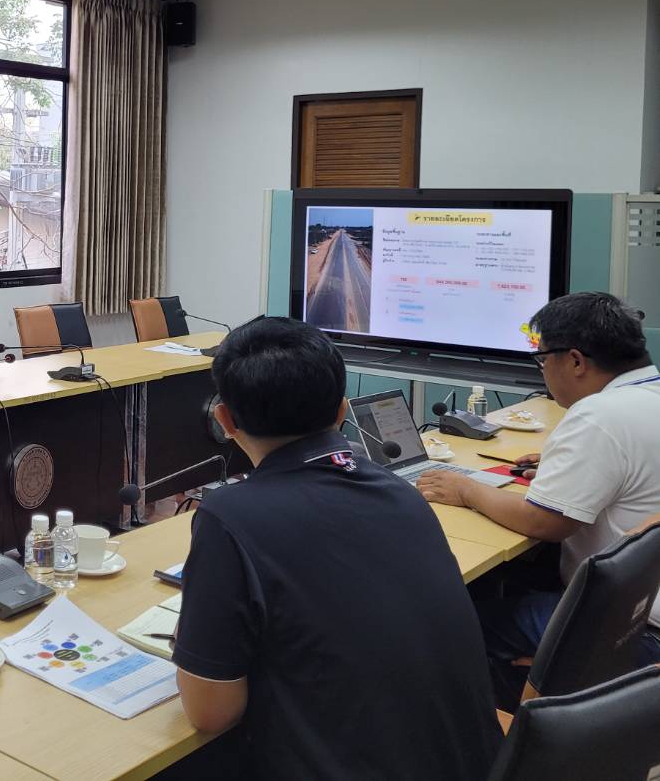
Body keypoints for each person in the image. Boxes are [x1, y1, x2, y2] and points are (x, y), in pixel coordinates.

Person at [172, 316, 501, 781]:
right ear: (343, 410)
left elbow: (210, 713)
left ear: (224, 420)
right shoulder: (399, 490)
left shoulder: (229, 516)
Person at [417, 291, 660, 698]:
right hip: (640, 610)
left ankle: (507, 714)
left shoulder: (599, 415)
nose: (542, 371)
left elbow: (544, 522)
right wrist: (564, 466)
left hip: (628, 630)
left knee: (447, 623)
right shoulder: (646, 395)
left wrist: (466, 489)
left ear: (576, 361)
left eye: (542, 359)